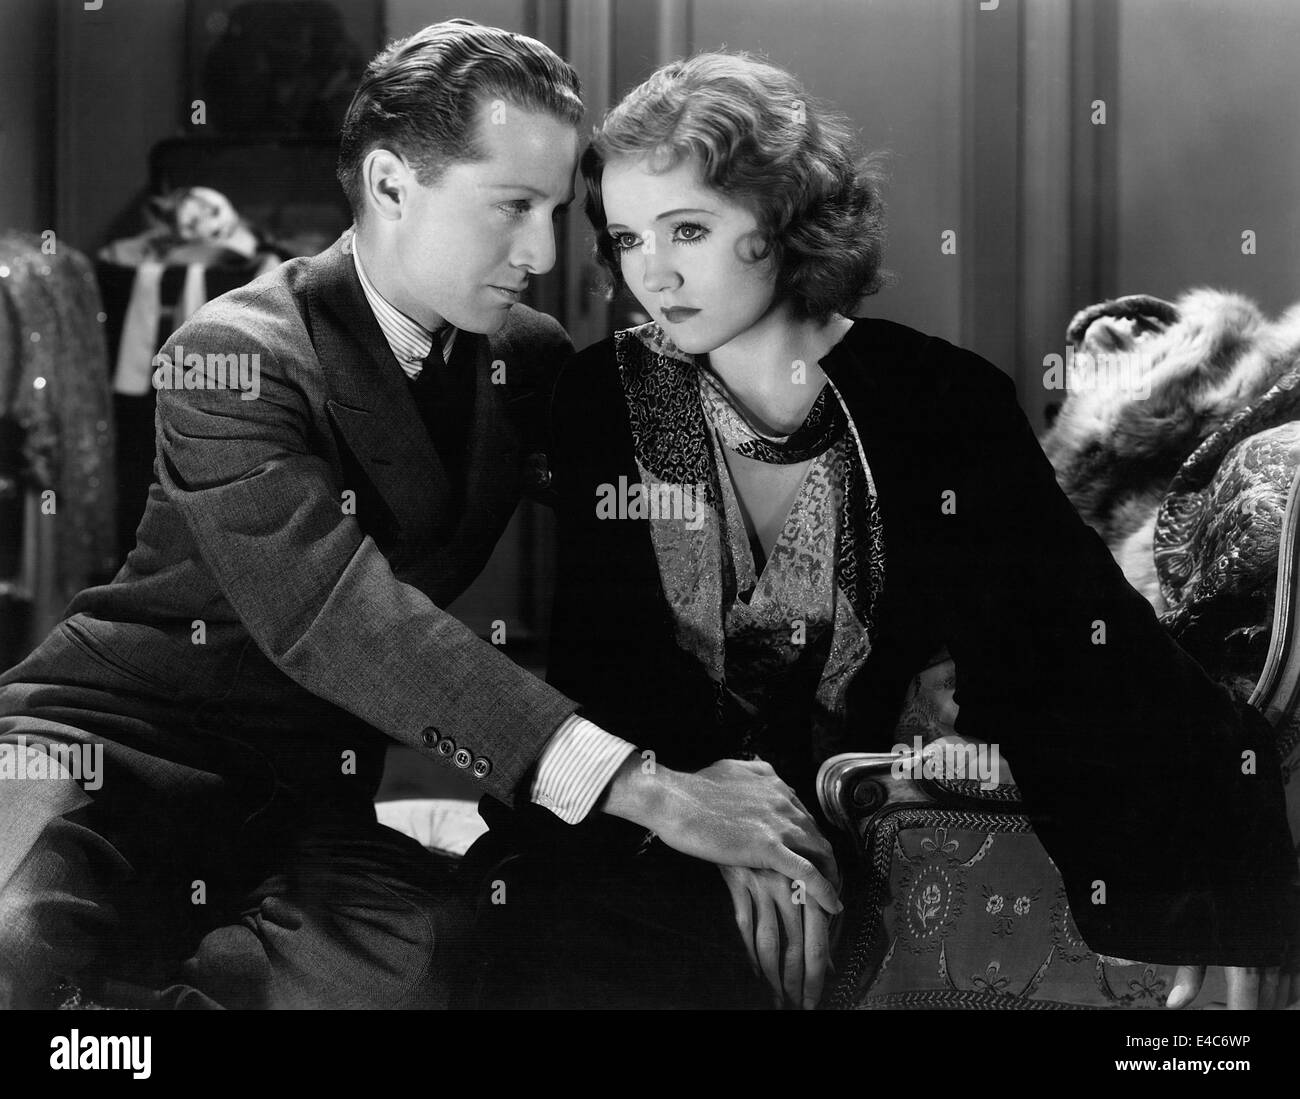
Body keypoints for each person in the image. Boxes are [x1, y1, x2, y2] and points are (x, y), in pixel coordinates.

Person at [0, 23, 838, 1010]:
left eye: (558, 211)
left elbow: (664, 538)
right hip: (112, 738)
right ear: (393, 186)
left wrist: (732, 788)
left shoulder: (524, 355)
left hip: (302, 788)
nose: (540, 250)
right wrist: (653, 790)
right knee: (18, 935)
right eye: (512, 207)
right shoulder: (232, 353)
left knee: (421, 967)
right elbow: (337, 617)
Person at [465, 51, 1298, 1010]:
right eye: (627, 238)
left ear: (783, 221)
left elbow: (1072, 641)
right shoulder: (601, 395)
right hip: (657, 809)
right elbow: (606, 663)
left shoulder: (940, 399)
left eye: (689, 228)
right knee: (545, 934)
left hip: (855, 826)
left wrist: (1215, 890)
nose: (653, 272)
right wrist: (731, 826)